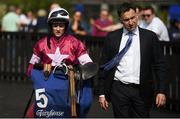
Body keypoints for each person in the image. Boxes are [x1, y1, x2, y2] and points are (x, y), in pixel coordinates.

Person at [98, 2, 167, 118]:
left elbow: (159, 65)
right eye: (126, 20)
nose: (131, 22)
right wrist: (101, 93)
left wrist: (161, 90)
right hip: (119, 89)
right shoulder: (112, 38)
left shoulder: (149, 37)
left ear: (137, 15)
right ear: (120, 20)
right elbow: (104, 66)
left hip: (142, 90)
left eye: (133, 18)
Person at [25, 7, 95, 118]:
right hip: (46, 91)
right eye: (55, 25)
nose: (58, 29)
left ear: (66, 26)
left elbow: (88, 64)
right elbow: (30, 68)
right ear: (51, 26)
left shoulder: (75, 43)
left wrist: (80, 71)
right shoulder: (41, 44)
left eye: (61, 26)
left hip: (67, 90)